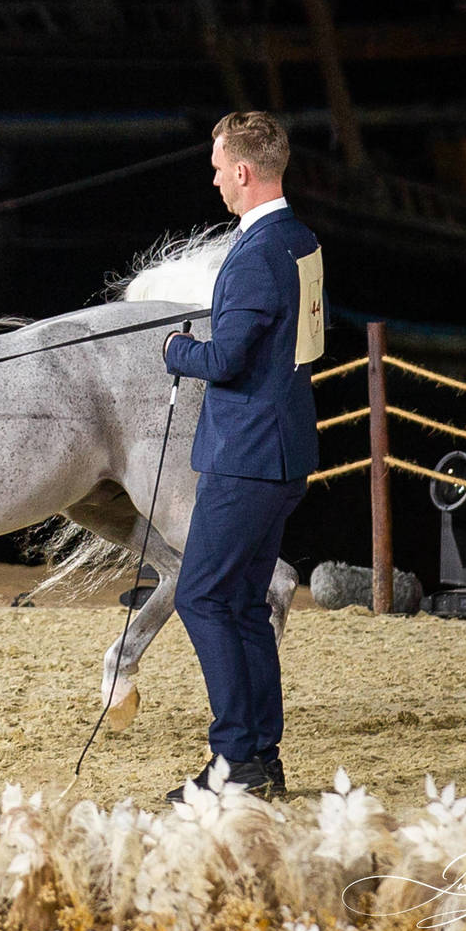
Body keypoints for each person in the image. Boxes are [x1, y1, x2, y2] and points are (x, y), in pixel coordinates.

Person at [161, 110, 323, 802]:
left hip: (246, 456)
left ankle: (234, 762)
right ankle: (261, 759)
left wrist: (177, 350)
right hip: (283, 450)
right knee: (243, 605)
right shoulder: (300, 239)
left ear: (245, 170)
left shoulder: (256, 252)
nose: (216, 179)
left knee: (201, 597)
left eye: (220, 166)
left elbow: (226, 359)